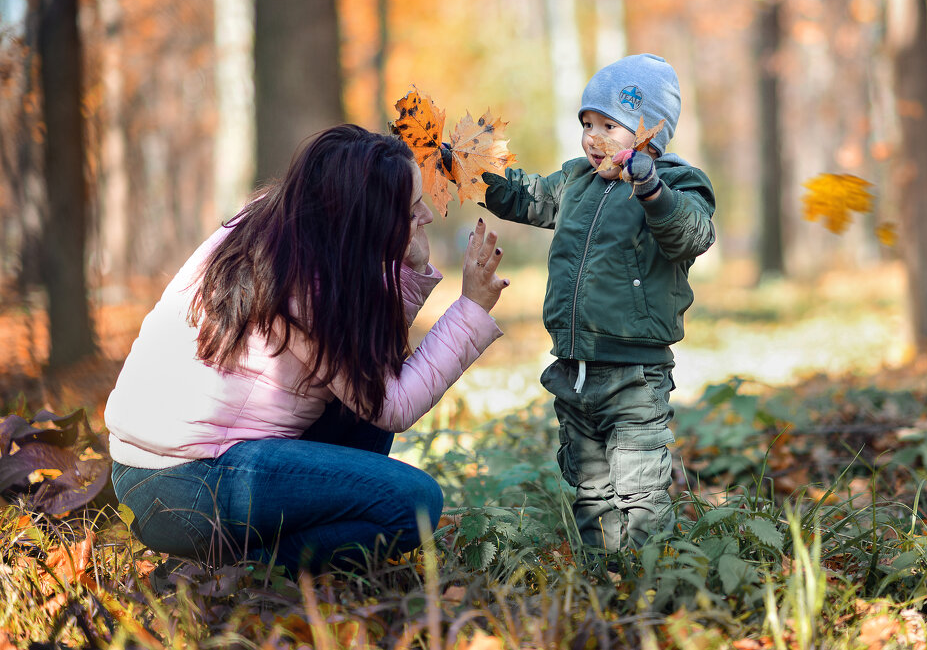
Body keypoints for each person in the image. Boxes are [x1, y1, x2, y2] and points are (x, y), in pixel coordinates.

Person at [104, 124, 510, 572]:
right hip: (181, 487)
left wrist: (407, 268)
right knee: (415, 503)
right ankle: (243, 572)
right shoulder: (302, 285)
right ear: (367, 217)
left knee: (363, 405)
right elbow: (391, 405)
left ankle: (245, 559)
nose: (428, 216)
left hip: (155, 471)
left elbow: (372, 364)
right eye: (412, 210)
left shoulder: (281, 227)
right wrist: (471, 307)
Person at [482, 53, 716, 554]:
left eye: (610, 125)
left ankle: (651, 574)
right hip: (574, 364)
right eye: (587, 122)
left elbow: (692, 235)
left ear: (650, 133)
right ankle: (603, 575)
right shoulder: (575, 182)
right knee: (589, 485)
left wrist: (652, 190)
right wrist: (474, 173)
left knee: (639, 484)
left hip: (634, 372)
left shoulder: (677, 183)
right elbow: (526, 197)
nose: (592, 136)